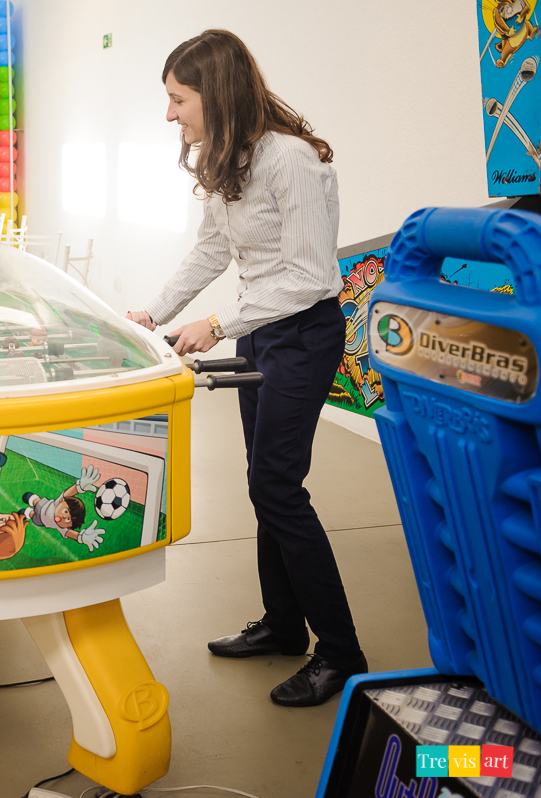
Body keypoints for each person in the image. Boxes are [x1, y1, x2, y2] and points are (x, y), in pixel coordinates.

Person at [127, 30, 365, 708]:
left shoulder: (291, 160)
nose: (170, 113)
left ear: (216, 93)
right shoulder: (228, 158)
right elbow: (211, 251)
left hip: (304, 333)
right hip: (262, 332)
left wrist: (218, 324)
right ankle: (283, 626)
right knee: (266, 484)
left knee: (277, 486)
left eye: (178, 99)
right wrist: (152, 314)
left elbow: (310, 277)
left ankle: (341, 653)